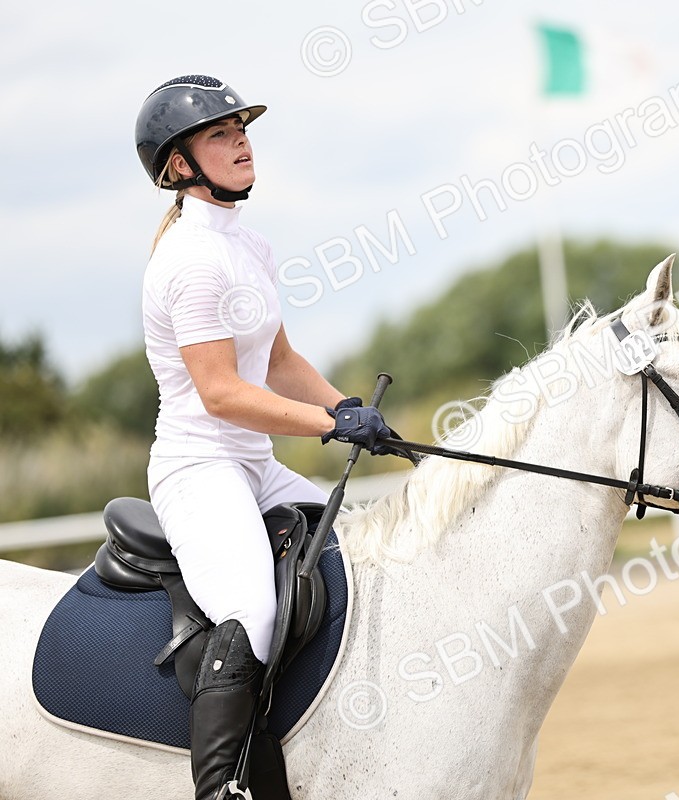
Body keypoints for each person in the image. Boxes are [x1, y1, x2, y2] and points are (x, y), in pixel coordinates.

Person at [134, 74, 391, 800]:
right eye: (220, 132)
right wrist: (328, 424)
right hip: (198, 468)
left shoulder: (249, 247)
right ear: (179, 165)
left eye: (242, 127)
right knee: (251, 608)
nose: (241, 139)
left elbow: (278, 363)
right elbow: (221, 393)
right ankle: (220, 786)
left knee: (362, 561)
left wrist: (349, 409)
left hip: (254, 463)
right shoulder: (188, 261)